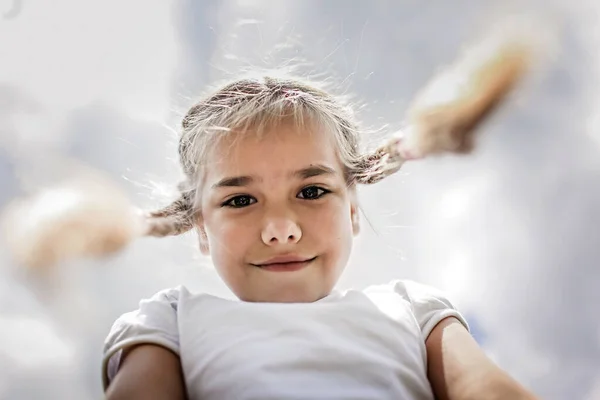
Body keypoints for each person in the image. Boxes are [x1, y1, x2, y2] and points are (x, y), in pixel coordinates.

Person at [102, 76, 537, 399]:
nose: (281, 230)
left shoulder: (412, 310)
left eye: (311, 192)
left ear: (351, 210)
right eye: (239, 200)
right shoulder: (170, 321)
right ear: (201, 227)